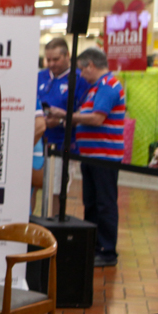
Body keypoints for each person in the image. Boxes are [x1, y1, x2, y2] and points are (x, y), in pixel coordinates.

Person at [47, 47, 124, 267]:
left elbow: (97, 118)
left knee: (104, 204)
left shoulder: (108, 86)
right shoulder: (95, 88)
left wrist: (66, 116)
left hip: (104, 157)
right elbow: (87, 115)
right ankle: (94, 245)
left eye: (82, 69)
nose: (81, 75)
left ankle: (107, 250)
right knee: (91, 203)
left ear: (91, 65)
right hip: (92, 156)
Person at [38, 37, 90, 215]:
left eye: (56, 59)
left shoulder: (80, 79)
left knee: (55, 190)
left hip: (63, 146)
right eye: (48, 59)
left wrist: (60, 120)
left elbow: (84, 114)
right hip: (38, 143)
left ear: (67, 55)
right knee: (32, 186)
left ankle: (53, 225)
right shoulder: (41, 77)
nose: (51, 64)